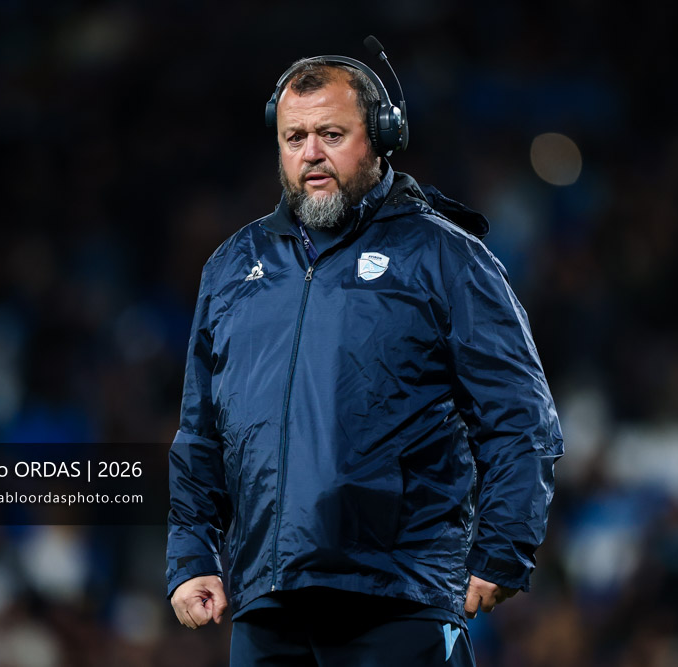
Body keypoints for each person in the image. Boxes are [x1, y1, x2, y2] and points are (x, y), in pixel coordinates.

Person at [167, 52, 563, 666]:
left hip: (398, 600)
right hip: (267, 607)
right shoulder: (230, 269)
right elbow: (201, 435)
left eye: (332, 134)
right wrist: (192, 555)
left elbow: (519, 417)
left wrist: (505, 544)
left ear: (381, 137)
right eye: (294, 137)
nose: (310, 154)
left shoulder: (447, 258)